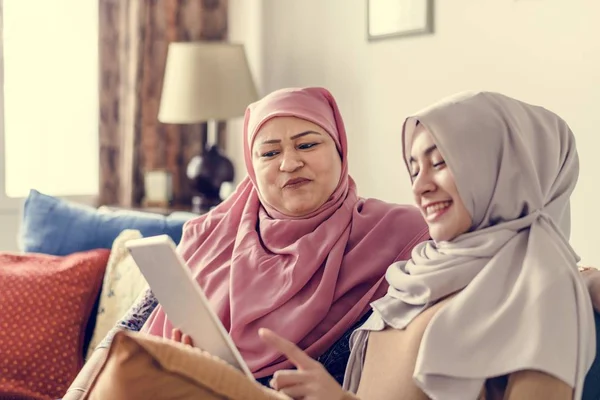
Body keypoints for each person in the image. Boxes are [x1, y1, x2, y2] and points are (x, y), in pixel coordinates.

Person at [63, 87, 429, 399]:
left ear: (340, 149)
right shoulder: (210, 234)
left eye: (307, 144)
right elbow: (122, 339)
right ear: (253, 169)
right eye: (269, 153)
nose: (289, 163)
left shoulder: (398, 233)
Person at [260, 91, 597, 400]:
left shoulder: (541, 286)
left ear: (505, 168)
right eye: (414, 168)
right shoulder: (417, 271)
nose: (420, 186)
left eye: (439, 163)